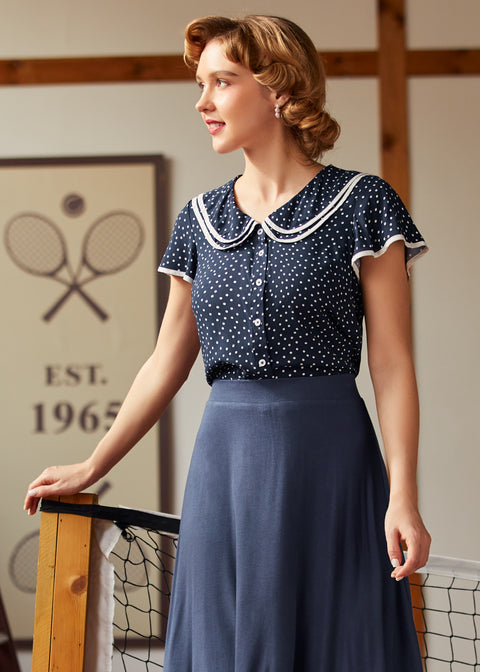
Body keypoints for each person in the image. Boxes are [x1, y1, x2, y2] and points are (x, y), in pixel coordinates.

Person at [25, 15, 431, 671]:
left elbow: (391, 363)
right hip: (224, 469)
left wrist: (403, 496)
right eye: (201, 83)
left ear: (280, 90)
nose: (202, 102)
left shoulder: (363, 204)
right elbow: (166, 361)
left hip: (331, 466)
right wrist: (92, 464)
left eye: (222, 81)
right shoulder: (199, 220)